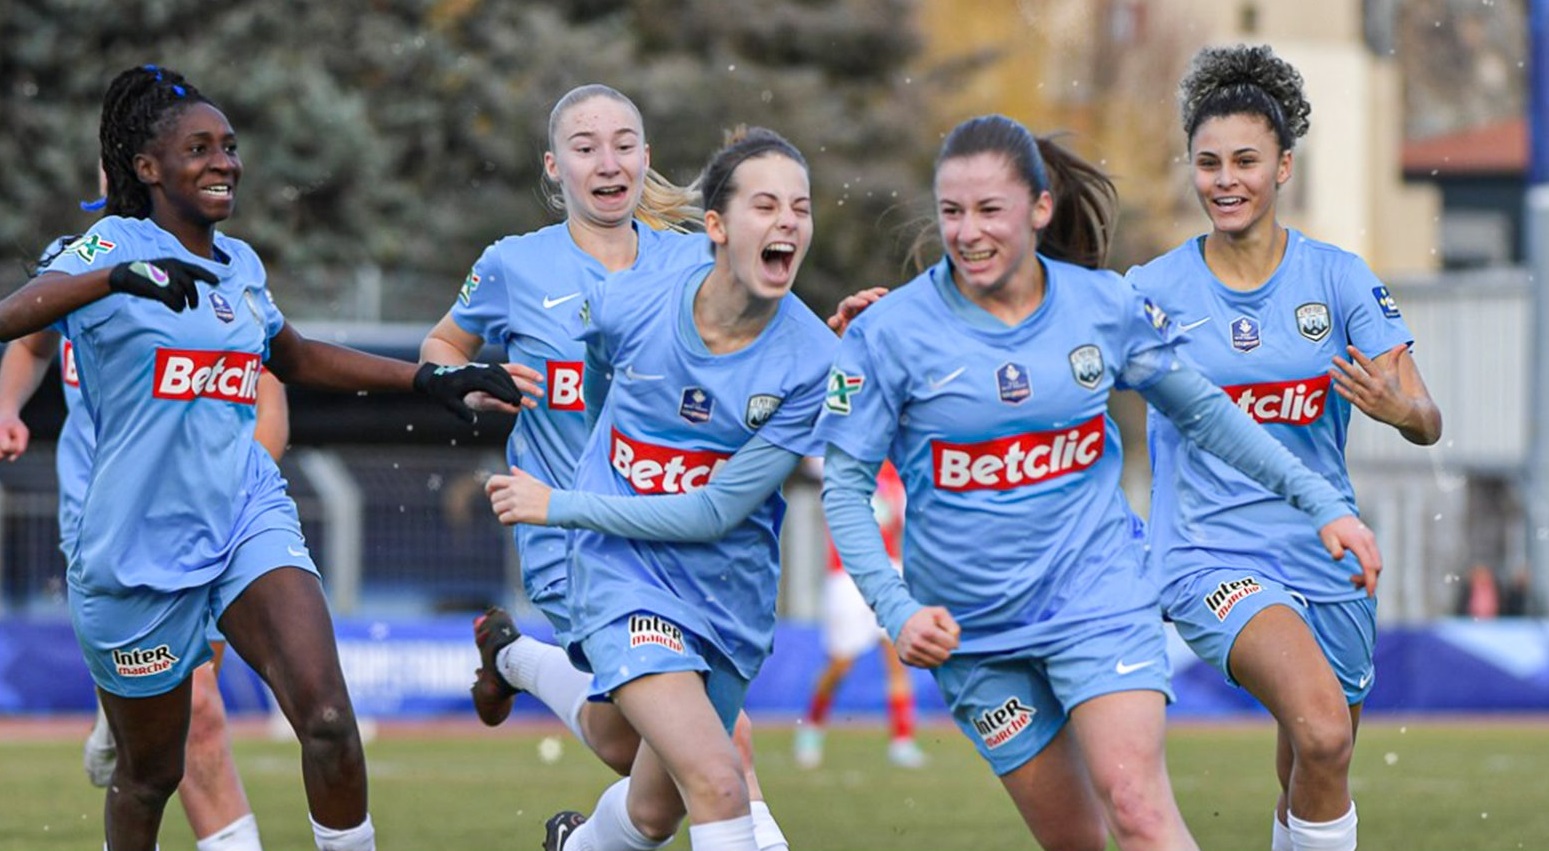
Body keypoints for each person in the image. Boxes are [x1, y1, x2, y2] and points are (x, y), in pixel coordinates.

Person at [814, 113, 1382, 851]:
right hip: (973, 634)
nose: (967, 232)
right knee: (1076, 840)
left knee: (1139, 812)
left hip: (1097, 599)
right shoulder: (891, 332)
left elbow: (1209, 414)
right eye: (952, 212)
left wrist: (1321, 503)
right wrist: (895, 609)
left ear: (1039, 208)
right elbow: (844, 484)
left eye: (990, 210)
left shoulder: (1101, 309)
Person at [0, 64, 526, 851]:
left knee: (326, 719)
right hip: (135, 547)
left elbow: (300, 357)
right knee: (150, 774)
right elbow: (14, 318)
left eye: (230, 147)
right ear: (147, 168)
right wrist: (116, 275)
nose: (224, 163)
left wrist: (428, 377)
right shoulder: (110, 243)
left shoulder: (240, 267)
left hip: (244, 512)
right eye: (199, 148)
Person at [420, 85, 789, 851]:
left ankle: (518, 666)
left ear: (646, 159)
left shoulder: (693, 258)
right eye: (585, 147)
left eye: (624, 143)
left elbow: (764, 344)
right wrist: (463, 383)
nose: (608, 160)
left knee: (649, 775)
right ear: (555, 168)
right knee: (719, 751)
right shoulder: (513, 265)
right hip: (573, 540)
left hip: (673, 532)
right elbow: (441, 347)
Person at [1126, 44, 1443, 851]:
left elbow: (1427, 418)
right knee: (1326, 733)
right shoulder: (1153, 292)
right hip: (1210, 553)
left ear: (1282, 168)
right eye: (1206, 163)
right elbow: (1048, 355)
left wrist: (1394, 404)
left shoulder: (1335, 279)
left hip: (1328, 555)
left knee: (1311, 763)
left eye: (1243, 160)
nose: (1223, 180)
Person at [0, 306, 288, 850]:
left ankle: (119, 711)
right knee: (190, 709)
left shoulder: (224, 276)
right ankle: (121, 707)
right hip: (109, 527)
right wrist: (5, 407)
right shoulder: (79, 270)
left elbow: (269, 402)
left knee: (195, 712)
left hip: (204, 524)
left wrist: (233, 494)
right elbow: (30, 344)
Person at [793, 458, 926, 770]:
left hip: (890, 570)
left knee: (897, 656)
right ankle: (812, 726)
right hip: (847, 578)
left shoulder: (897, 471)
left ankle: (902, 740)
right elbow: (804, 451)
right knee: (840, 663)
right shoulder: (840, 461)